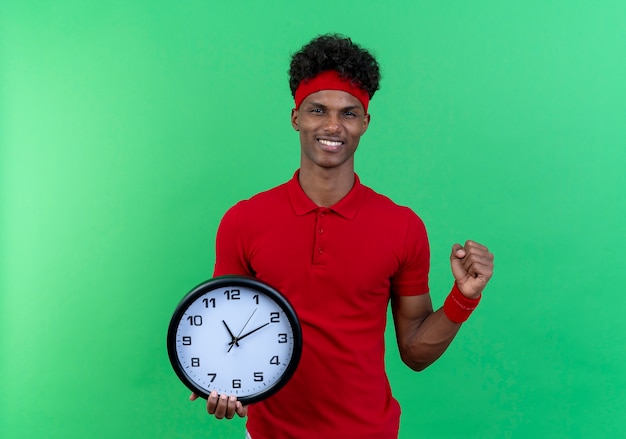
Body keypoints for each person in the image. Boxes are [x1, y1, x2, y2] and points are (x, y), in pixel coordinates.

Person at [190, 34, 494, 438]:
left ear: (365, 123)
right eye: (318, 110)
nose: (333, 126)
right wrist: (222, 384)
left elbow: (415, 352)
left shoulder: (401, 226)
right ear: (296, 117)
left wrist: (463, 299)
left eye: (349, 113)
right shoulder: (244, 220)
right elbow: (224, 331)